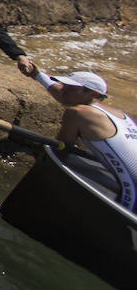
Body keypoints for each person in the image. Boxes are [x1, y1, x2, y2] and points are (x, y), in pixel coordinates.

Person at [34, 69, 137, 209]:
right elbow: (64, 96)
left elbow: (60, 150)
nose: (63, 90)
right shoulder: (120, 115)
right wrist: (38, 76)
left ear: (93, 94)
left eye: (70, 88)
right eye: (64, 85)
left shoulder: (77, 113)